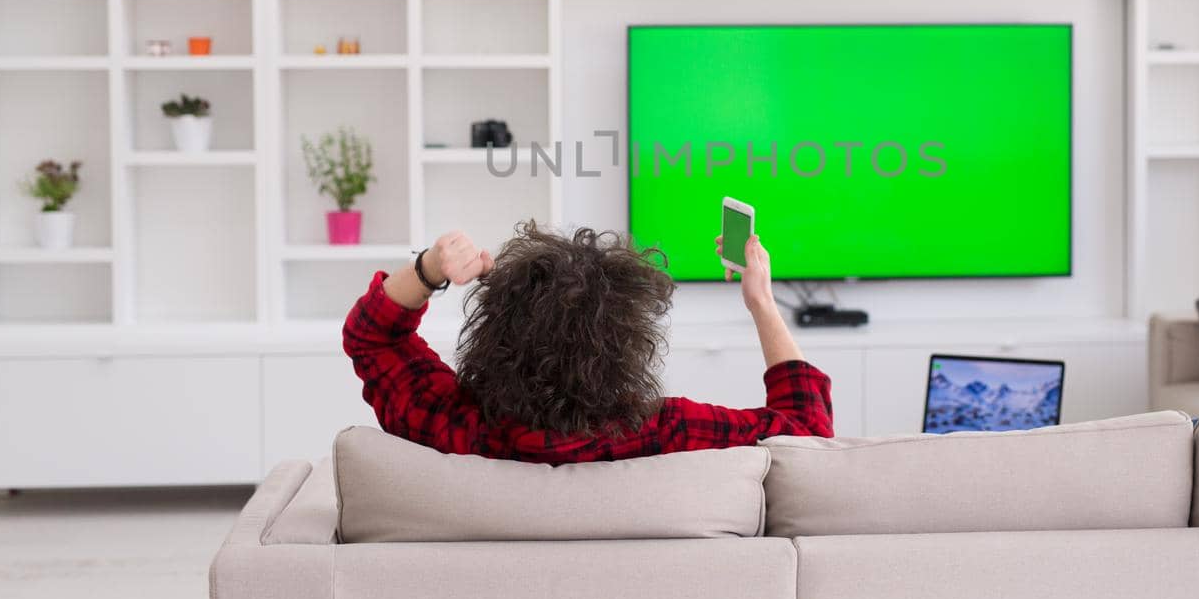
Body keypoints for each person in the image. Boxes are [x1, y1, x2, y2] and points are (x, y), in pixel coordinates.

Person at [342, 220, 833, 462]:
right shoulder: (670, 433)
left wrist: (429, 269)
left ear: (494, 331)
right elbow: (808, 436)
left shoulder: (448, 426)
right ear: (628, 343)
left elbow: (371, 338)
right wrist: (763, 304)